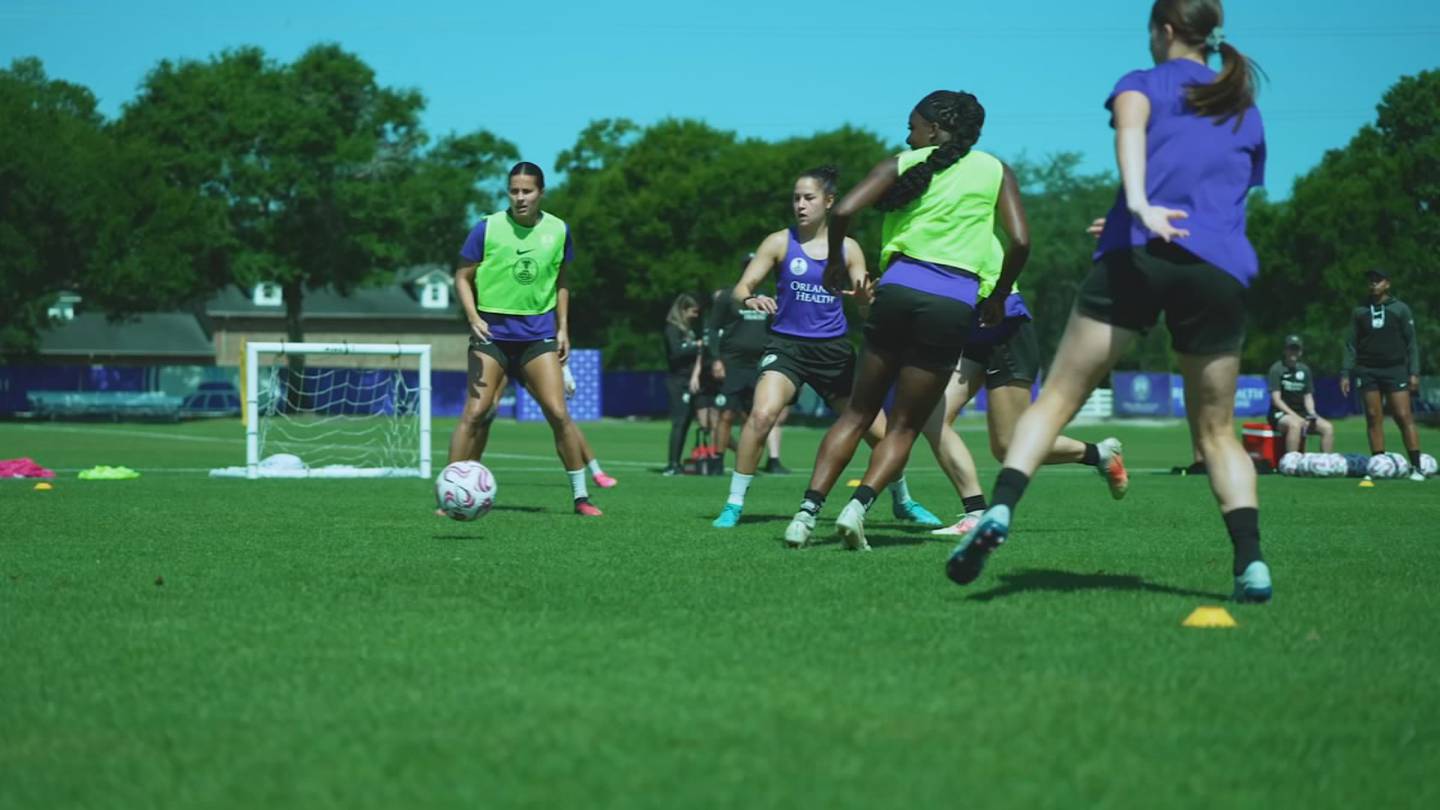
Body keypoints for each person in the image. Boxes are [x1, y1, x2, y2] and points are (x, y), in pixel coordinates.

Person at [947, 0, 1273, 602]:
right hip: (1217, 269)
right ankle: (1251, 563)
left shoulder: (1141, 82)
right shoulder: (1242, 106)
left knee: (1058, 400)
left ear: (1166, 30)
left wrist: (1141, 207)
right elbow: (1224, 195)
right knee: (1219, 432)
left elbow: (1131, 130)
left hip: (1138, 256)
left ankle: (1000, 511)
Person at [781, 92, 1028, 550]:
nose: (907, 135)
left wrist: (834, 262)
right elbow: (1020, 241)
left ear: (933, 130)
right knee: (904, 427)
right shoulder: (996, 170)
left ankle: (804, 515)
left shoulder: (904, 163)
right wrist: (995, 296)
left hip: (896, 292)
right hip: (953, 303)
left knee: (856, 413)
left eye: (912, 126)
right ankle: (858, 509)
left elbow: (847, 209)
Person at [713, 166, 944, 531]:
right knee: (761, 416)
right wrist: (751, 299)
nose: (800, 205)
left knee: (880, 434)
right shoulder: (778, 242)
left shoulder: (848, 248)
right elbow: (740, 289)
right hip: (786, 347)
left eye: (809, 198)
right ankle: (733, 504)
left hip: (834, 351)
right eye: (796, 198)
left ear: (830, 202)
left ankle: (903, 500)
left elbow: (866, 308)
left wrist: (867, 300)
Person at [447, 161, 602, 516]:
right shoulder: (486, 228)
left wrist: (563, 328)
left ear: (541, 193)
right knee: (475, 413)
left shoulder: (559, 230)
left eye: (527, 191)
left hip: (538, 335)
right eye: (514, 191)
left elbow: (562, 282)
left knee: (558, 414)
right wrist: (473, 317)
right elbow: (461, 276)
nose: (520, 197)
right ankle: (450, 491)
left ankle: (581, 498)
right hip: (493, 335)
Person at [920, 295, 1129, 536]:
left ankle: (1100, 454)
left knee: (1008, 447)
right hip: (972, 331)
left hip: (1004, 326)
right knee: (933, 417)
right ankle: (976, 513)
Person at [1340, 268, 1424, 481]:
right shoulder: (1360, 310)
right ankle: (1379, 464)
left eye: (1378, 280)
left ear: (1387, 284)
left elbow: (1411, 343)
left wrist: (1414, 372)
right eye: (1370, 280)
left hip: (1395, 369)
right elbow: (1350, 344)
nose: (1373, 284)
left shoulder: (1400, 309)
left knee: (1403, 416)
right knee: (1373, 416)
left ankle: (1417, 467)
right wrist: (1345, 373)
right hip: (1367, 370)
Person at [707, 276, 792, 474]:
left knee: (756, 417)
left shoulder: (772, 297)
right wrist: (716, 359)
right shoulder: (729, 296)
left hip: (760, 365)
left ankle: (747, 464)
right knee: (726, 414)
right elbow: (713, 329)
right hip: (733, 364)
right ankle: (717, 461)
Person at [1266, 334, 1333, 454]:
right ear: (1285, 350)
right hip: (1279, 414)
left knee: (1327, 428)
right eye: (1291, 349)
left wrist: (1312, 414)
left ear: (1301, 352)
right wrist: (1294, 415)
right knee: (1295, 425)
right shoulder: (1276, 369)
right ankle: (1291, 462)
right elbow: (1276, 399)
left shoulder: (1304, 370)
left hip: (1302, 413)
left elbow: (1308, 396)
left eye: (1296, 349)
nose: (1293, 352)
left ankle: (1325, 462)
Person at [662, 293, 704, 476]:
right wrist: (698, 345)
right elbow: (676, 351)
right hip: (677, 380)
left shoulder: (689, 329)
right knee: (679, 422)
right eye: (693, 311)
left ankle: (677, 463)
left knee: (686, 422)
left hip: (688, 379)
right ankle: (672, 463)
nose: (696, 315)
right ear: (683, 310)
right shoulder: (672, 329)